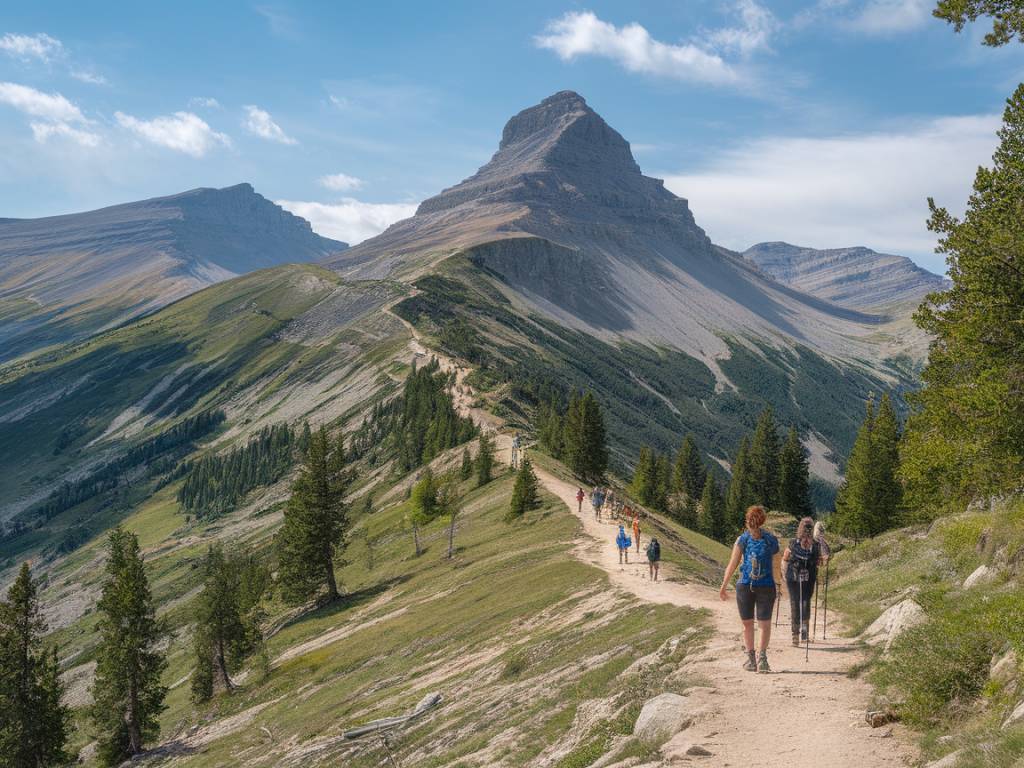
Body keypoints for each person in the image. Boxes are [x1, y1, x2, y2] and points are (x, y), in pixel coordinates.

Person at [719, 505, 781, 674]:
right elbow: (776, 566)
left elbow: (732, 564)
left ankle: (751, 659)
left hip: (745, 585)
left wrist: (723, 586)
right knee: (764, 624)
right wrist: (780, 584)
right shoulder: (771, 540)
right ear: (763, 521)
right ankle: (763, 660)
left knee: (747, 624)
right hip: (767, 585)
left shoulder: (742, 539)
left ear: (747, 521)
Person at [782, 517, 824, 646]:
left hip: (793, 576)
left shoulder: (793, 542)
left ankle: (795, 636)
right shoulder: (816, 545)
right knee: (805, 602)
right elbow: (820, 562)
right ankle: (804, 634)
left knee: (795, 603)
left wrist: (783, 573)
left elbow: (785, 558)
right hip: (809, 577)